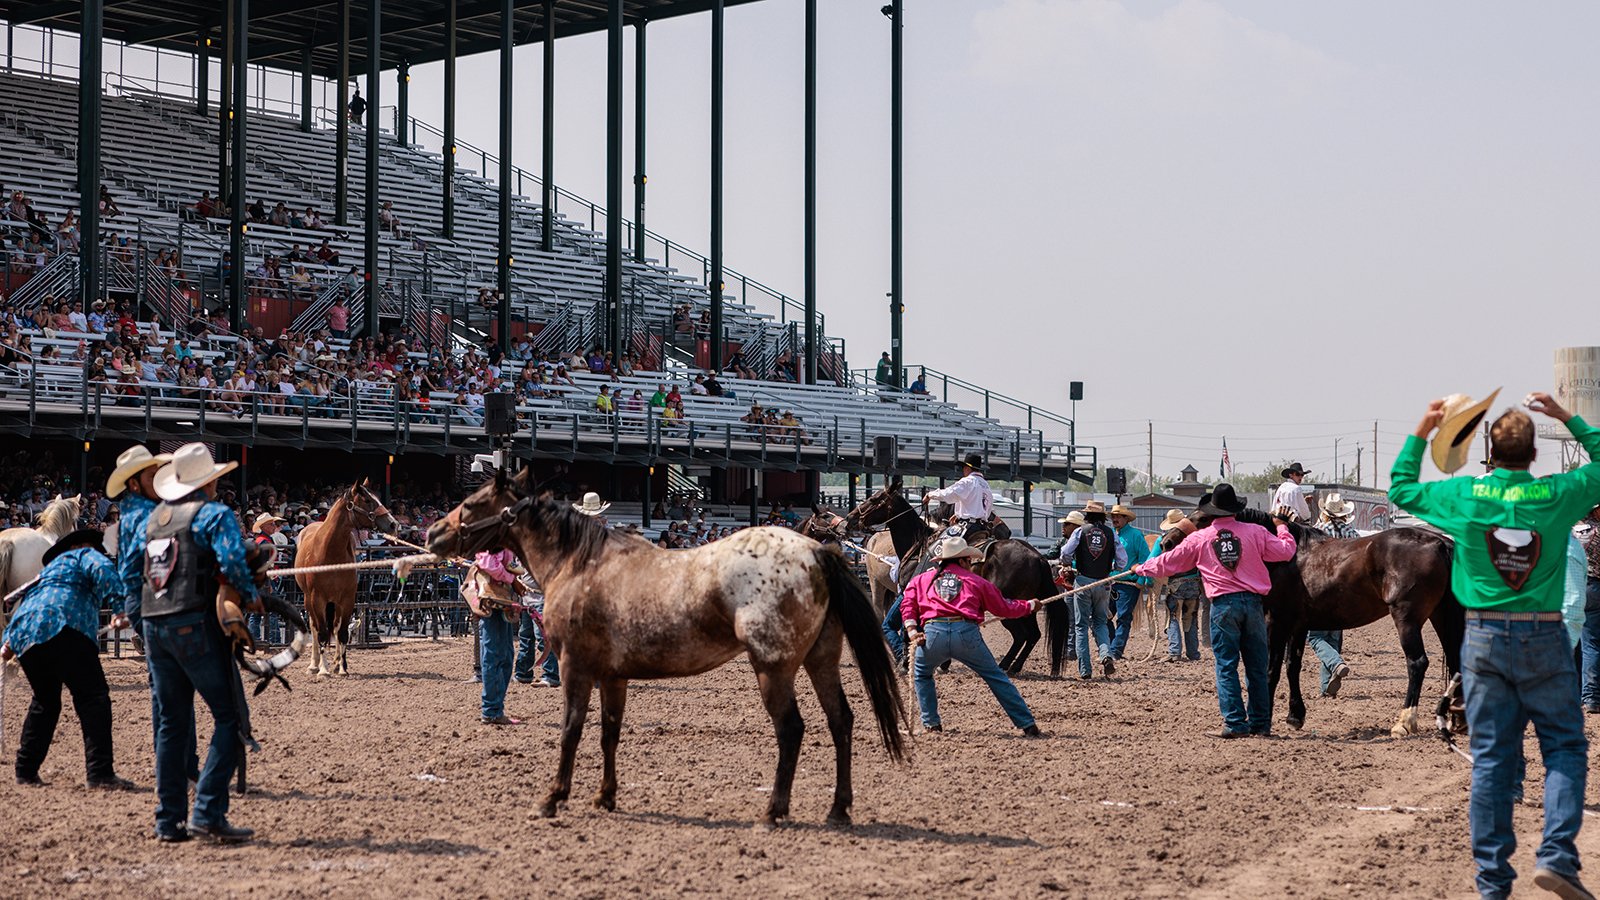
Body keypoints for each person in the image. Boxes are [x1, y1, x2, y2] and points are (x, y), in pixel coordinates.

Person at [1391, 390, 1600, 900]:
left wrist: (1425, 426)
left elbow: (1401, 487)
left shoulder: (1465, 496)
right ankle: (1555, 856)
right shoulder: (1556, 494)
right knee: (1566, 748)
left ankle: (1492, 883)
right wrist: (1566, 416)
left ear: (1491, 455)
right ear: (1533, 456)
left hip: (1483, 636)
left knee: (1491, 759)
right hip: (1545, 635)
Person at [142, 443, 263, 843]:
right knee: (229, 718)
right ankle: (208, 811)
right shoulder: (214, 514)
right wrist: (249, 595)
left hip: (155, 625)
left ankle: (168, 821)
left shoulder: (155, 519)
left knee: (172, 724)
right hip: (194, 623)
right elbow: (232, 562)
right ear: (208, 481)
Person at [1136, 483, 1296, 738]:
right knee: (1256, 666)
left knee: (1226, 666)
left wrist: (1141, 568)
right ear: (1236, 509)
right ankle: (1261, 724)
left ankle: (1235, 723)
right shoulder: (1255, 532)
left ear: (1211, 512)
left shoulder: (1200, 538)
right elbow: (1286, 551)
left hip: (1223, 606)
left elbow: (1169, 562)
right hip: (1254, 604)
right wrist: (1281, 525)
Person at [1, 529, 134, 790]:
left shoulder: (47, 573)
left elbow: (24, 599)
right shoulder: (85, 555)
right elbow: (103, 570)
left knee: (45, 701)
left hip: (26, 634)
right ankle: (100, 773)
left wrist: (9, 640)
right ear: (82, 546)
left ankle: (25, 770)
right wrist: (120, 608)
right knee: (92, 697)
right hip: (66, 626)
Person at [901, 535, 1042, 736]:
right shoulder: (977, 581)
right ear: (961, 560)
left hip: (933, 635)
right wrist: (1029, 606)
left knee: (922, 674)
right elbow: (1004, 608)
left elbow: (907, 603)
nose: (971, 563)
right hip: (966, 634)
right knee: (996, 676)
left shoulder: (922, 579)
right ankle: (1027, 724)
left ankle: (931, 724)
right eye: (969, 560)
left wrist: (912, 631)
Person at [1057, 499, 1126, 679]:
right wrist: (1110, 567)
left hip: (1083, 582)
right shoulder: (1112, 534)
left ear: (1087, 515)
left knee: (1081, 626)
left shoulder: (1081, 531)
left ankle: (1085, 670)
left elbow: (1065, 552)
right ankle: (1106, 655)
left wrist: (1066, 564)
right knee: (1101, 623)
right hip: (1103, 583)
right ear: (1104, 517)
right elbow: (1122, 562)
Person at [1307, 493, 1359, 698]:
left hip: (1321, 592)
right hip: (1344, 593)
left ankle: (1336, 664)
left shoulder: (1318, 532)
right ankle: (1325, 687)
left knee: (1316, 637)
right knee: (1332, 640)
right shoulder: (1352, 533)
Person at [468, 547, 527, 725]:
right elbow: (488, 563)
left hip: (500, 599)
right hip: (496, 600)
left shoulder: (498, 536)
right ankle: (492, 710)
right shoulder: (496, 538)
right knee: (497, 653)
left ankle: (494, 709)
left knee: (503, 654)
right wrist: (512, 579)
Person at [1153, 510, 1203, 662]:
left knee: (1173, 616)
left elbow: (1152, 559)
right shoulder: (1195, 540)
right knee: (1191, 617)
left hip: (1175, 584)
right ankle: (1193, 652)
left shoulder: (1163, 540)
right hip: (1194, 582)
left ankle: (1175, 651)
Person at [1107, 504, 1152, 660]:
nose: (1114, 519)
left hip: (1129, 585)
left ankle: (1115, 651)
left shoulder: (1135, 535)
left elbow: (1146, 558)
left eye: (1118, 516)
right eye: (1113, 516)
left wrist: (1142, 579)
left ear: (1125, 518)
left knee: (1123, 618)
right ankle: (1112, 647)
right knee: (1102, 616)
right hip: (1110, 582)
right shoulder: (1110, 534)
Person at [921, 452, 995, 540]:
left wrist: (930, 495)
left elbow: (949, 494)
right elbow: (989, 507)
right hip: (983, 528)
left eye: (963, 468)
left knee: (939, 541)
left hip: (968, 527)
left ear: (967, 468)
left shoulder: (967, 482)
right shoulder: (986, 485)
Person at [1576, 505, 1600, 714]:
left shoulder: (1577, 529)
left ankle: (1588, 696)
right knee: (1592, 645)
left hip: (1579, 586)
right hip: (1596, 585)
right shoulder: (1598, 531)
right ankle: (1592, 696)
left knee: (1587, 644)